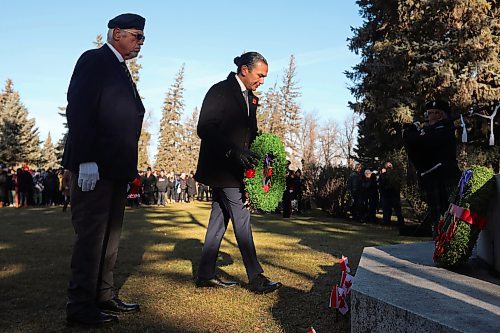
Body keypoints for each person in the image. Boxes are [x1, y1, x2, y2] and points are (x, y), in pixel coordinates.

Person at [61, 13, 146, 327]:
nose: (140, 43)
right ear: (116, 33)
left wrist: (127, 171)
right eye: (136, 36)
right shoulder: (95, 60)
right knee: (91, 237)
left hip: (115, 168)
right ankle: (80, 306)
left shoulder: (119, 68)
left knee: (110, 237)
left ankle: (103, 294)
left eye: (142, 38)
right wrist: (84, 159)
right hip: (95, 166)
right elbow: (79, 108)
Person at [194, 52, 282, 294]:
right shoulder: (220, 90)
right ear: (244, 69)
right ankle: (256, 277)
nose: (262, 80)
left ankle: (205, 274)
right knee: (242, 218)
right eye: (260, 75)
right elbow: (205, 128)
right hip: (221, 168)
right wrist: (233, 152)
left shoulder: (251, 99)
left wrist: (267, 154)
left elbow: (251, 135)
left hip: (239, 170)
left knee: (218, 220)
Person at [403, 99, 461, 236]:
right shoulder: (431, 130)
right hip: (433, 179)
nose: (427, 116)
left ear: (439, 115)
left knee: (451, 214)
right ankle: (440, 244)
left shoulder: (444, 129)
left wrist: (413, 133)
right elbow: (413, 145)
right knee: (437, 217)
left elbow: (424, 141)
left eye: (430, 113)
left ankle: (452, 243)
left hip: (446, 177)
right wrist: (411, 132)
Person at [378, 162, 404, 226]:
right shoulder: (396, 175)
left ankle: (386, 221)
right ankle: (401, 222)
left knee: (387, 210)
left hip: (387, 195)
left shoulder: (383, 175)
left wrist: (383, 193)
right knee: (397, 210)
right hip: (394, 195)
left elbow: (381, 185)